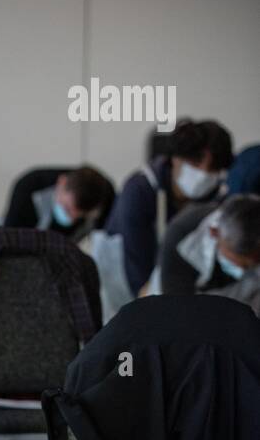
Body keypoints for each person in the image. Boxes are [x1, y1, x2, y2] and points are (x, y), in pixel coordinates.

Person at [91, 119, 233, 317]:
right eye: (195, 163)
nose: (203, 173)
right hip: (123, 284)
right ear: (176, 158)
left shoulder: (217, 201)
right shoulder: (140, 190)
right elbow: (135, 262)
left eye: (212, 169)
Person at [160, 194, 260, 311]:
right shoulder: (181, 236)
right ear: (214, 233)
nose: (242, 271)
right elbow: (177, 308)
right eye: (242, 265)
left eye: (254, 263)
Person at [2, 165, 114, 241]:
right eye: (67, 208)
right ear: (62, 182)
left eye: (80, 215)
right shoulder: (28, 189)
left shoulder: (105, 199)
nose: (71, 219)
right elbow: (8, 241)